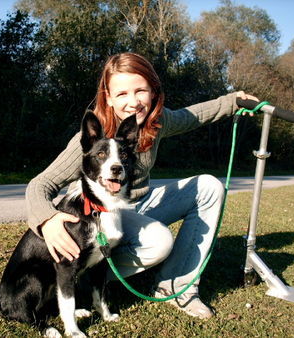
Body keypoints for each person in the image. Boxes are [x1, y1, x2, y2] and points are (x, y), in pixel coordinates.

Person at [26, 52, 258, 319]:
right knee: (159, 241)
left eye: (141, 91)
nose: (133, 102)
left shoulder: (158, 123)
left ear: (153, 92)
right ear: (108, 98)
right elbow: (40, 184)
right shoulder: (91, 139)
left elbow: (195, 115)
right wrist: (48, 220)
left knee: (208, 186)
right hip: (95, 217)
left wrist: (234, 100)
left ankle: (176, 286)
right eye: (122, 93)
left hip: (135, 207)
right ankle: (81, 278)